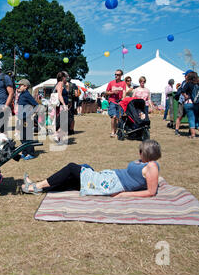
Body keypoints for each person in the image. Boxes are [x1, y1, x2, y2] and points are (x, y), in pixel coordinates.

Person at [22, 139, 161, 198]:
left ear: (147, 152)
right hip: (111, 177)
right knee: (81, 171)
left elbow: (151, 192)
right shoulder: (146, 163)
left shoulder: (152, 166)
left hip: (112, 184)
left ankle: (36, 186)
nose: (139, 153)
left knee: (72, 168)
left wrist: (124, 194)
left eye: (141, 151)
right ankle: (41, 187)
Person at [16, 79, 39, 160]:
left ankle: (31, 153)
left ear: (25, 86)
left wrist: (30, 113)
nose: (18, 87)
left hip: (27, 119)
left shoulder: (27, 95)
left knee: (28, 136)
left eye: (20, 85)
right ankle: (24, 152)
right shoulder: (22, 94)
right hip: (21, 118)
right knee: (22, 137)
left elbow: (36, 105)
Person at [181, 72, 199, 139]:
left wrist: (185, 96)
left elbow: (182, 91)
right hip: (197, 103)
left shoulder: (188, 84)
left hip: (189, 103)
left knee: (191, 118)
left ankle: (193, 134)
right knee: (196, 118)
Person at [106, 69, 126, 138]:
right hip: (112, 101)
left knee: (118, 118)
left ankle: (116, 131)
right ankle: (112, 132)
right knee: (113, 116)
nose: (116, 76)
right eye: (115, 74)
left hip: (120, 102)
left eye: (118, 75)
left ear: (121, 75)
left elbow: (124, 92)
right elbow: (106, 92)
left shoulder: (123, 83)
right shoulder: (111, 83)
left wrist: (122, 100)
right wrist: (113, 92)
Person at [174, 70, 193, 136]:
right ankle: (176, 130)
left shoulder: (193, 83)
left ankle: (191, 131)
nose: (185, 76)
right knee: (179, 116)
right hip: (182, 101)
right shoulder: (184, 82)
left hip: (189, 102)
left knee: (190, 117)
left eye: (186, 75)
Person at [53, 71, 70, 144]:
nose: (67, 78)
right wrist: (63, 104)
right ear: (63, 78)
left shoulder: (63, 84)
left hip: (62, 105)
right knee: (62, 122)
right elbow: (60, 95)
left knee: (62, 122)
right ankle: (57, 136)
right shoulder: (60, 84)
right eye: (66, 77)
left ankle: (59, 138)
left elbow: (65, 94)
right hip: (61, 106)